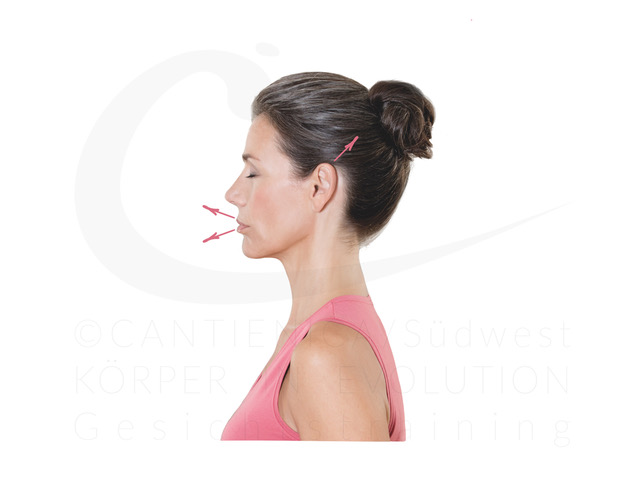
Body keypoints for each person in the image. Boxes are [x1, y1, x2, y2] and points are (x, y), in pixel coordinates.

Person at [221, 72, 435, 441]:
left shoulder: (326, 354)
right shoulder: (315, 337)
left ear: (319, 187)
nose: (233, 194)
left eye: (253, 172)